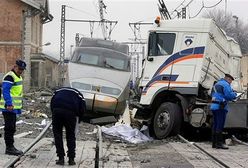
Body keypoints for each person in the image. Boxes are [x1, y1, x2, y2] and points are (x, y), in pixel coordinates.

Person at [50, 87, 86, 165]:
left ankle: (61, 158)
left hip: (57, 111)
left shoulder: (57, 91)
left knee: (58, 135)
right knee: (70, 135)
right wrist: (79, 119)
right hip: (70, 113)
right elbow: (83, 108)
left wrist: (54, 114)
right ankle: (71, 159)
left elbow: (52, 104)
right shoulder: (78, 94)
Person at [0, 59, 26, 155]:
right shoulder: (10, 77)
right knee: (9, 127)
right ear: (15, 66)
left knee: (12, 127)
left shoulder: (17, 77)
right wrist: (9, 104)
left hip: (14, 107)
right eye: (19, 69)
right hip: (8, 107)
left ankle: (10, 147)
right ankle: (9, 148)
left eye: (22, 69)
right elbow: (6, 91)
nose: (21, 71)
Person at [210, 74, 237, 149]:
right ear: (228, 79)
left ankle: (214, 143)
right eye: (231, 81)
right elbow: (229, 95)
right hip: (221, 107)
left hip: (214, 106)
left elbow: (212, 94)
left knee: (215, 124)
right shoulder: (225, 84)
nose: (230, 83)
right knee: (220, 125)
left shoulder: (216, 84)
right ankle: (219, 144)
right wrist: (235, 94)